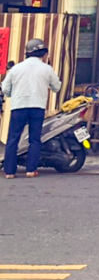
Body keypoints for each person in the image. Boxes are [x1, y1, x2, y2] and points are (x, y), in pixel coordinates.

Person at [2, 38, 62, 178]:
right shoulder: (46, 69)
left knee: (13, 139)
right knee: (34, 139)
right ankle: (31, 170)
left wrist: (13, 94)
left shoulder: (16, 68)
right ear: (43, 54)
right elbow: (57, 87)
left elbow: (5, 89)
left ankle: (9, 171)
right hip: (37, 107)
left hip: (18, 107)